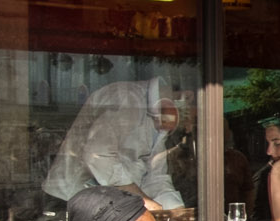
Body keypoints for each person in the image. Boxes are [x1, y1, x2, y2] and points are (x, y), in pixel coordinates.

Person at [43, 77, 187, 210]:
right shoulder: (129, 98)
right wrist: (143, 200)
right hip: (74, 200)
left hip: (114, 204)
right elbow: (98, 155)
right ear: (185, 97)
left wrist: (174, 209)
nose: (188, 127)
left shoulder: (161, 119)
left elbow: (155, 176)